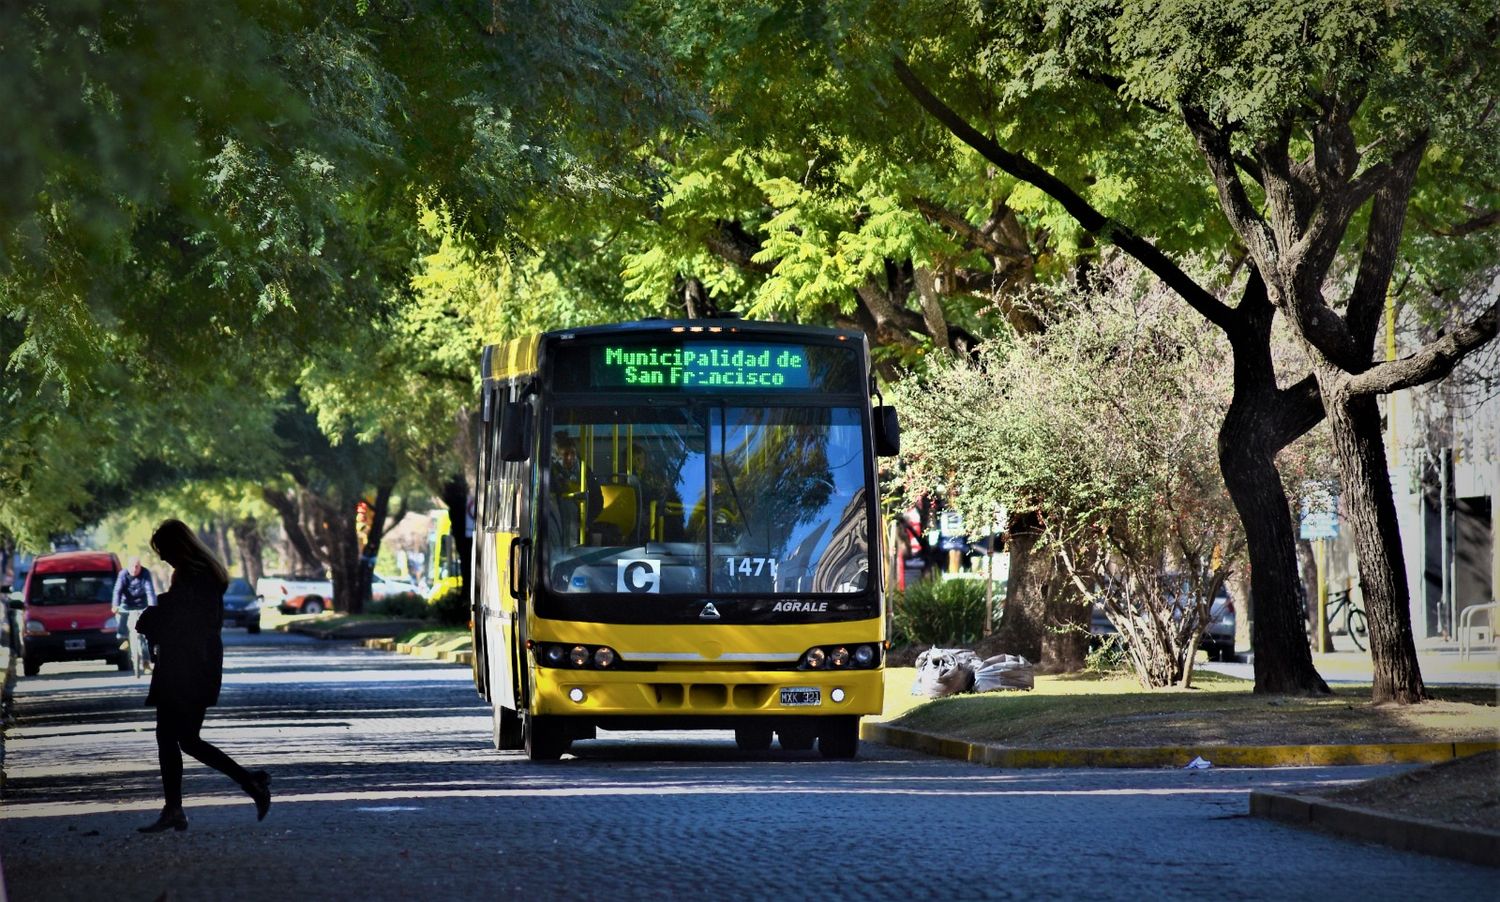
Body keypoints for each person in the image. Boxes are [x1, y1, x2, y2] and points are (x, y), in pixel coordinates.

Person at [134, 519, 270, 833]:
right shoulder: (199, 575)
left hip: (189, 667)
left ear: (178, 547)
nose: (164, 558)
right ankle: (180, 807)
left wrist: (154, 616)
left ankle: (248, 784)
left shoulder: (196, 577)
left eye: (165, 551)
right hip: (189, 665)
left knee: (180, 738)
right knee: (178, 738)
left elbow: (185, 620)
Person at [112, 557, 158, 677]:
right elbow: (117, 590)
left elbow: (150, 591)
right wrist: (115, 605)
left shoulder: (145, 573)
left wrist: (152, 608)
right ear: (128, 566)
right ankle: (124, 639)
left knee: (144, 635)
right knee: (121, 615)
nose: (134, 569)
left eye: (137, 566)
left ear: (140, 566)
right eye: (132, 566)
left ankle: (147, 663)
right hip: (126, 603)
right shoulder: (123, 574)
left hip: (141, 604)